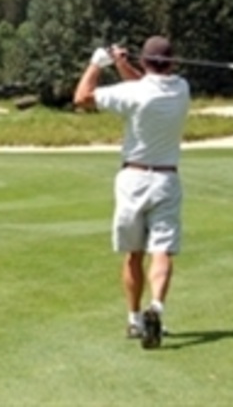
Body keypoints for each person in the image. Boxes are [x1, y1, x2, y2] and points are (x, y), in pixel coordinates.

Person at [73, 36, 190, 349]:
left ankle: (135, 319)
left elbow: (82, 97)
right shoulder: (181, 89)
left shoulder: (134, 93)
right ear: (172, 62)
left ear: (144, 61)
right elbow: (147, 86)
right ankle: (157, 308)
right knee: (162, 251)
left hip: (133, 178)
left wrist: (99, 63)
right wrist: (124, 64)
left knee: (133, 253)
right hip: (167, 179)